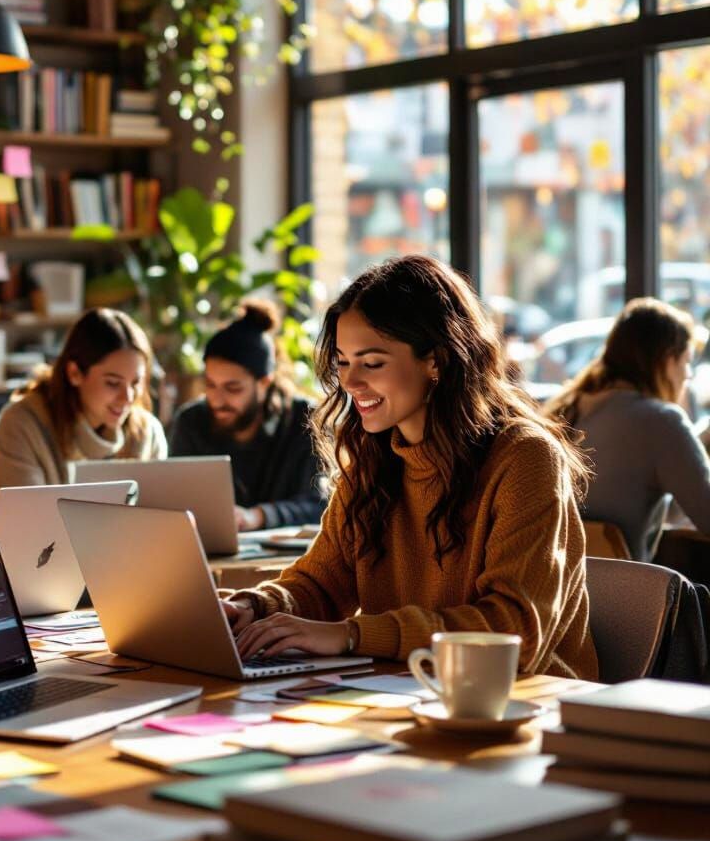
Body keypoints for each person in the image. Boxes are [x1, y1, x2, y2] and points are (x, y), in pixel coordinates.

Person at [220, 255, 598, 679]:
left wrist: (350, 635)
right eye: (343, 361)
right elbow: (322, 584)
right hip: (407, 692)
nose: (349, 381)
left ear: (435, 359)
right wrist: (252, 607)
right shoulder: (375, 457)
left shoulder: (525, 459)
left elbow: (513, 632)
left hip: (523, 706)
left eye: (372, 362)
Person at [545, 297, 710, 561]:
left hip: (562, 591)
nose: (688, 375)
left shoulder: (568, 408)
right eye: (686, 362)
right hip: (625, 594)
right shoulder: (662, 421)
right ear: (667, 362)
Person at [169, 301, 326, 530]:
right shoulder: (191, 422)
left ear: (264, 384)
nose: (217, 400)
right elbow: (175, 501)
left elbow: (322, 505)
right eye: (210, 385)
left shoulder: (305, 421)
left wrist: (258, 516)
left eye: (233, 388)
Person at [0, 308, 166, 491]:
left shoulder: (147, 434)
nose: (128, 397)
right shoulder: (23, 425)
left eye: (136, 383)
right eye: (112, 383)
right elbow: (29, 517)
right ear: (74, 373)